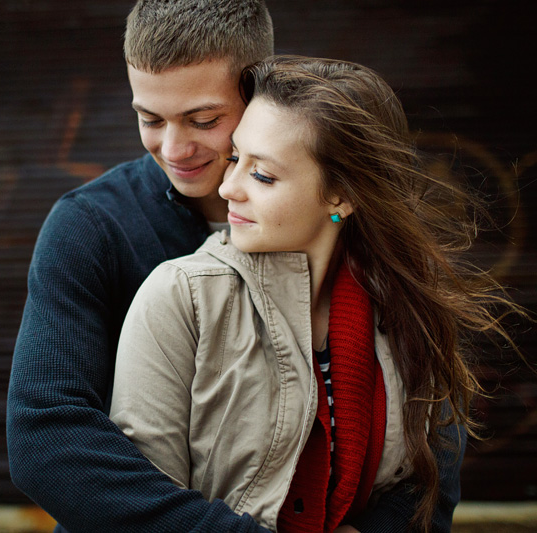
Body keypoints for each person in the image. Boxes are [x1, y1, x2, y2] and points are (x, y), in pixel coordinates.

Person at [6, 1, 465, 531]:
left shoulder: (359, 236)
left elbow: (431, 453)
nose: (174, 148)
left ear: (256, 93)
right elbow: (45, 434)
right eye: (149, 119)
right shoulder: (92, 226)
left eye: (203, 120)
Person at [110, 55, 524, 532]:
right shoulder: (181, 296)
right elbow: (142, 505)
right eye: (235, 159)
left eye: (262, 175)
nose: (227, 188)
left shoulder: (409, 308)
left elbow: (423, 491)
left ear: (341, 196)